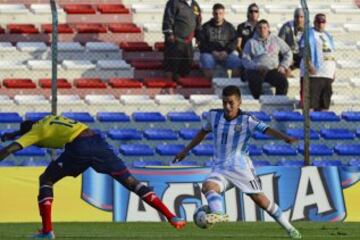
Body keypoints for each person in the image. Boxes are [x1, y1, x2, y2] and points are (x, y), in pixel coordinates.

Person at [0, 115, 186, 239]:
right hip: (97, 141)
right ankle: (172, 217)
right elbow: (29, 127)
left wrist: (14, 139)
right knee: (131, 182)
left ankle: (47, 231)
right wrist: (12, 134)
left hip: (78, 147)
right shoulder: (46, 120)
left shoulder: (35, 132)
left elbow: (10, 149)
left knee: (46, 179)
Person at [173, 85, 302, 239]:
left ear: (239, 102)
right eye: (224, 102)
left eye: (231, 103)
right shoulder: (213, 116)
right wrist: (185, 151)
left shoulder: (247, 120)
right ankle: (219, 212)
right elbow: (202, 133)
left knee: (260, 200)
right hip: (220, 168)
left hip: (241, 168)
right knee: (208, 186)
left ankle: (290, 229)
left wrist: (285, 137)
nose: (227, 107)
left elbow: (266, 129)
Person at [242, 19, 293, 99]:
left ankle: (278, 101)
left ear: (268, 28)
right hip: (256, 70)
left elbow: (288, 52)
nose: (262, 30)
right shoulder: (251, 42)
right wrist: (256, 66)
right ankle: (259, 101)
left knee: (283, 82)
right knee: (254, 80)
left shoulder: (276, 40)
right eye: (260, 28)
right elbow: (245, 59)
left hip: (272, 69)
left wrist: (283, 66)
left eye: (265, 28)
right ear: (256, 29)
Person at [300, 13, 335, 111]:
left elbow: (331, 53)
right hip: (313, 74)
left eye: (323, 22)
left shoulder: (328, 35)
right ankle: (308, 126)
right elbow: (303, 49)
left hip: (327, 74)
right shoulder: (309, 33)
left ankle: (321, 126)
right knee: (311, 106)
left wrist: (333, 71)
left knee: (324, 106)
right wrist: (309, 64)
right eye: (318, 22)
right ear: (314, 22)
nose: (320, 24)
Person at [198, 3, 241, 79]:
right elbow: (202, 43)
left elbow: (234, 42)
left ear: (224, 14)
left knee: (237, 63)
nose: (218, 16)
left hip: (226, 54)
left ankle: (232, 87)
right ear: (213, 14)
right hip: (210, 54)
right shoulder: (205, 26)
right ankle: (211, 87)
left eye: (220, 13)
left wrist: (226, 52)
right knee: (206, 62)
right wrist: (213, 52)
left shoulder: (229, 27)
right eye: (216, 13)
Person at [162, 0, 202, 81]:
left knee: (187, 65)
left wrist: (198, 37)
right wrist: (170, 34)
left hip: (188, 42)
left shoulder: (195, 5)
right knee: (171, 67)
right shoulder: (173, 2)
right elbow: (168, 19)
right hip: (175, 40)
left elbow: (198, 22)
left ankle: (181, 88)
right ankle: (168, 87)